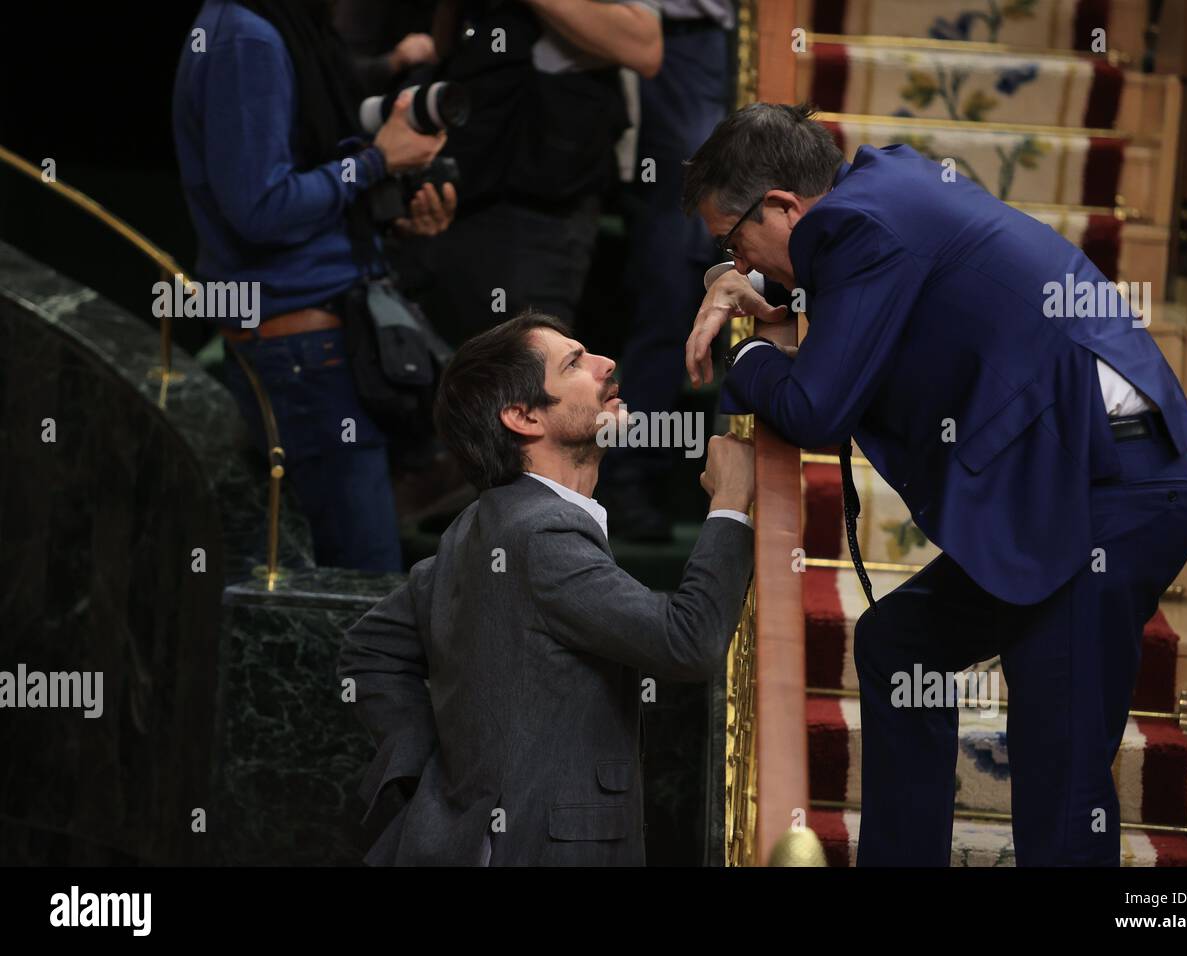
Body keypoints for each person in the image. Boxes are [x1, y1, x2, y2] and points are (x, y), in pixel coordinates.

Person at [681, 103, 1187, 866]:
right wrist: (741, 282)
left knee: (1059, 780)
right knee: (899, 647)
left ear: (785, 205)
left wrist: (751, 353)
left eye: (734, 242)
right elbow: (829, 309)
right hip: (1072, 484)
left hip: (1105, 494)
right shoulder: (881, 189)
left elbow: (816, 408)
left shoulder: (857, 228)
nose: (741, 262)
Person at [337, 312, 755, 865]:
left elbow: (369, 649)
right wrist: (730, 503)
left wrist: (444, 783)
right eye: (574, 364)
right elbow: (690, 641)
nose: (606, 364)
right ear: (523, 416)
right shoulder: (541, 535)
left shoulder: (481, 522)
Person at [173, 0, 455, 572]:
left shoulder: (277, 27)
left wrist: (392, 214)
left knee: (352, 574)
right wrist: (376, 162)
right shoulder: (247, 37)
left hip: (325, 338)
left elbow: (297, 179)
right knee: (359, 583)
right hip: (302, 354)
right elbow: (261, 209)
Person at [390, 0, 664, 345]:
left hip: (544, 195)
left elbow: (645, 47)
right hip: (467, 172)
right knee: (445, 352)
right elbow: (446, 45)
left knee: (527, 358)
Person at [601, 0, 734, 540]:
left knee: (692, 264)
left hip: (704, 39)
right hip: (662, 33)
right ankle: (626, 472)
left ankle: (634, 470)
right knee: (674, 273)